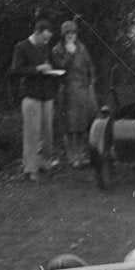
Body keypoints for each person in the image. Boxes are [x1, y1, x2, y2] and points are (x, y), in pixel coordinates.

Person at [10, 20, 60, 181]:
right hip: (31, 96)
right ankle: (30, 169)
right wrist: (37, 69)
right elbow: (16, 69)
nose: (46, 43)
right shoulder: (22, 47)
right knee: (32, 133)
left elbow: (51, 64)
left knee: (47, 132)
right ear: (37, 32)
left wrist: (52, 70)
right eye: (44, 39)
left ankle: (44, 164)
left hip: (47, 95)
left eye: (48, 40)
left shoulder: (45, 48)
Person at [52, 20, 98, 167]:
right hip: (68, 91)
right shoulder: (57, 50)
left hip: (83, 90)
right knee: (70, 126)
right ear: (63, 35)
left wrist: (92, 80)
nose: (71, 36)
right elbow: (60, 68)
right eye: (68, 34)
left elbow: (89, 64)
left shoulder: (82, 47)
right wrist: (69, 54)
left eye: (73, 33)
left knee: (82, 125)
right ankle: (73, 157)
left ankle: (81, 155)